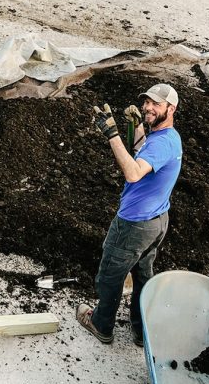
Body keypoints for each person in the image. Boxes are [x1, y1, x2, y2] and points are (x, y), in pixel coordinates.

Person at [76, 83, 183, 347]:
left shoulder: (163, 144)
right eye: (146, 102)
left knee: (110, 275)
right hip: (157, 221)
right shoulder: (167, 138)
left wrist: (112, 134)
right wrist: (136, 127)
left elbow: (133, 173)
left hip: (135, 223)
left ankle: (101, 325)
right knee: (142, 275)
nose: (148, 107)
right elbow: (143, 154)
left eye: (156, 104)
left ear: (171, 108)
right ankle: (140, 330)